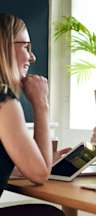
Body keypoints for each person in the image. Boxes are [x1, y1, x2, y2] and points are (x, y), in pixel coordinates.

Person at [0, 13, 64, 215]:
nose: (32, 56)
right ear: (5, 46)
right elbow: (40, 174)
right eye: (26, 47)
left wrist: (31, 159)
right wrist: (41, 103)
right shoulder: (4, 102)